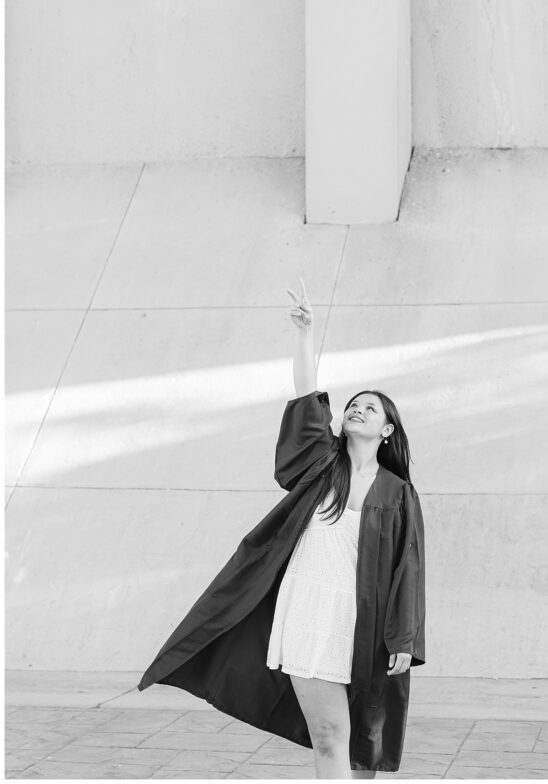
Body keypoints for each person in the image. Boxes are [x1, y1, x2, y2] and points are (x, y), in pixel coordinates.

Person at [138, 278, 426, 778]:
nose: (357, 408)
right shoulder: (321, 465)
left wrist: (405, 639)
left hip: (364, 620)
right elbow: (307, 395)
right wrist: (304, 334)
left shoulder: (397, 494)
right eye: (352, 405)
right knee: (329, 735)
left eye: (370, 407)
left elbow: (409, 568)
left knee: (366, 742)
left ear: (387, 430)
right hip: (308, 609)